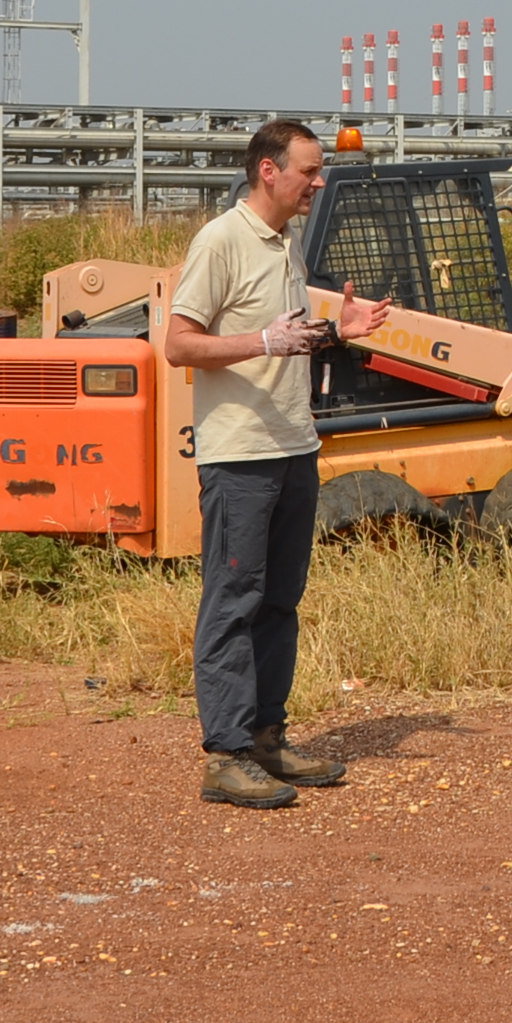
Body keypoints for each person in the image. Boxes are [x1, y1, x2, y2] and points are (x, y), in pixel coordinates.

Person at [163, 117, 386, 810]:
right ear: (269, 170)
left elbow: (286, 337)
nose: (319, 182)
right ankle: (225, 755)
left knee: (280, 601)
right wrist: (261, 339)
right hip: (241, 458)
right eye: (309, 170)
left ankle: (266, 737)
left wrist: (333, 334)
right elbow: (177, 345)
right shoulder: (222, 241)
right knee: (234, 601)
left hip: (293, 448)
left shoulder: (286, 243)